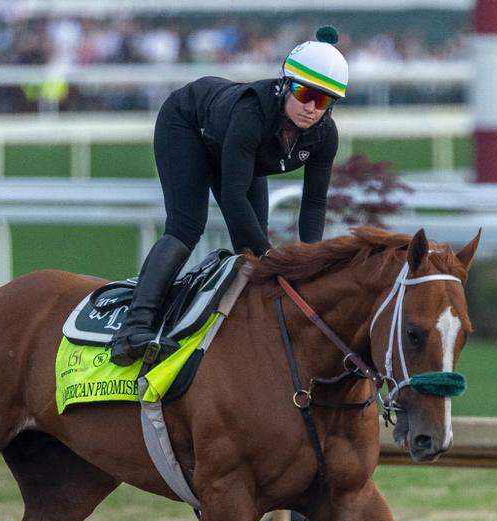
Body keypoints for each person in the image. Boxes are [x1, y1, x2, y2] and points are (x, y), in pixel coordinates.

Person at [109, 25, 348, 365]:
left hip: (238, 153)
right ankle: (133, 329)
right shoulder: (252, 114)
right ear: (284, 85)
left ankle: (247, 336)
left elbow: (314, 203)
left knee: (250, 249)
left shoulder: (325, 136)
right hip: (188, 126)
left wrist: (310, 262)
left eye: (323, 101)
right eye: (304, 93)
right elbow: (234, 197)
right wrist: (272, 258)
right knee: (188, 226)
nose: (311, 107)